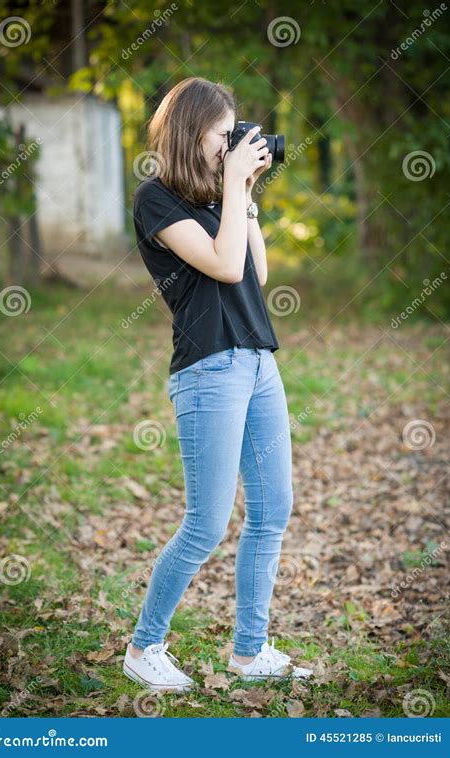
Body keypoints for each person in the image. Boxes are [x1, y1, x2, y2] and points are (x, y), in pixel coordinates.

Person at [123, 77, 313, 692]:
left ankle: (250, 652)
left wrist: (245, 195)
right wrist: (233, 187)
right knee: (205, 524)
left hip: (258, 362)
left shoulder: (217, 198)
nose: (230, 143)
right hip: (208, 370)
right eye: (221, 133)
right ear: (190, 131)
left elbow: (253, 273)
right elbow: (223, 265)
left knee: (272, 510)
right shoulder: (156, 200)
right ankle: (144, 645)